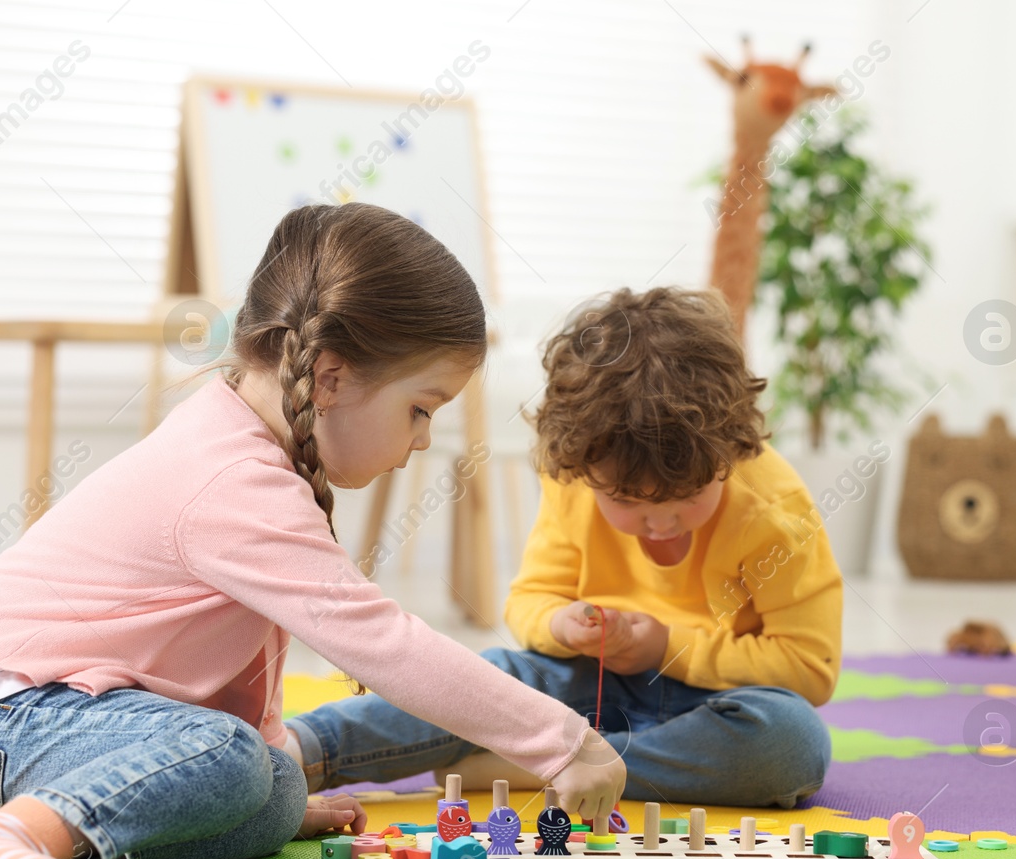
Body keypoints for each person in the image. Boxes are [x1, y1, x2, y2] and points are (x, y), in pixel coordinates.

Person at [0, 203, 624, 859]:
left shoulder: (246, 440)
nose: (424, 439)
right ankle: (6, 839)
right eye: (420, 409)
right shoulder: (231, 478)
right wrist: (565, 740)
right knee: (232, 758)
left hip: (38, 725)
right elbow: (382, 642)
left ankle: (49, 836)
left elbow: (247, 666)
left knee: (273, 790)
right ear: (330, 378)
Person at [289, 286, 838, 811]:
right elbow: (529, 604)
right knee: (494, 674)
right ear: (582, 467)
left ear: (731, 450)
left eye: (689, 496)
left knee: (792, 743)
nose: (661, 521)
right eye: (627, 500)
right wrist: (561, 624)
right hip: (583, 684)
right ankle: (307, 749)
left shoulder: (774, 510)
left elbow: (809, 669)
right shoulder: (576, 475)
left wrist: (666, 648)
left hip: (716, 701)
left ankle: (547, 764)